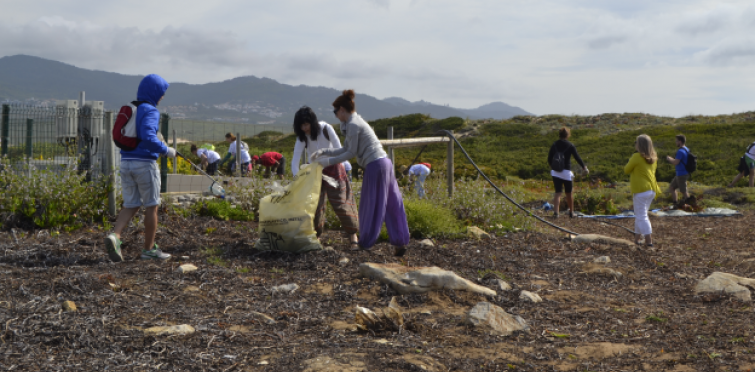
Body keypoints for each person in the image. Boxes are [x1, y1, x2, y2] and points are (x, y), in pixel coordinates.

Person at [310, 90, 410, 256]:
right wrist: (325, 152)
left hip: (374, 165)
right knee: (392, 203)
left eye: (335, 112)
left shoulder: (353, 124)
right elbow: (346, 148)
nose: (335, 116)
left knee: (371, 204)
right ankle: (400, 241)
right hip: (384, 162)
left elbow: (351, 153)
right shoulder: (354, 122)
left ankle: (366, 242)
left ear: (342, 109)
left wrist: (327, 162)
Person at [104, 74, 175, 262]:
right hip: (145, 164)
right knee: (152, 206)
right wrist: (166, 150)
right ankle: (148, 250)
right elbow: (148, 137)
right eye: (162, 92)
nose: (162, 96)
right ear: (155, 92)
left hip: (126, 162)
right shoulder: (150, 110)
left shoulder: (133, 107)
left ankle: (115, 236)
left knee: (131, 204)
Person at [292, 106, 359, 248]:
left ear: (312, 122)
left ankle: (353, 235)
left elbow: (339, 148)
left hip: (334, 167)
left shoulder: (325, 129)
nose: (304, 128)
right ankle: (316, 236)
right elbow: (295, 159)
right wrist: (296, 178)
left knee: (341, 203)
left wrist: (331, 161)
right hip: (316, 171)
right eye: (301, 126)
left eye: (306, 124)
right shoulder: (302, 137)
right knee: (315, 204)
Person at [624, 134, 661, 247]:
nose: (635, 144)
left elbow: (626, 170)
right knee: (640, 215)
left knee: (642, 216)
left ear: (639, 144)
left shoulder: (636, 157)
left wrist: (631, 158)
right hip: (651, 190)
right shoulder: (653, 158)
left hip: (641, 190)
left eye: (636, 142)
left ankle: (649, 242)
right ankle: (636, 239)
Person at [547, 127, 588, 218]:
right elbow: (577, 157)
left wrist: (553, 167)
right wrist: (584, 167)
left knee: (558, 193)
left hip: (555, 172)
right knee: (569, 193)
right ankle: (571, 213)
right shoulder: (570, 145)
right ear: (568, 135)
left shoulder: (554, 144)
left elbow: (549, 158)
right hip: (566, 172)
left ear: (559, 134)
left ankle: (556, 213)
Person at [665, 134, 691, 206]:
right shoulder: (686, 149)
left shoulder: (680, 151)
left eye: (676, 141)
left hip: (681, 174)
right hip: (682, 173)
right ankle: (675, 203)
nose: (675, 142)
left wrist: (669, 158)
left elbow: (675, 162)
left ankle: (691, 204)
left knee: (683, 191)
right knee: (672, 187)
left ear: (680, 141)